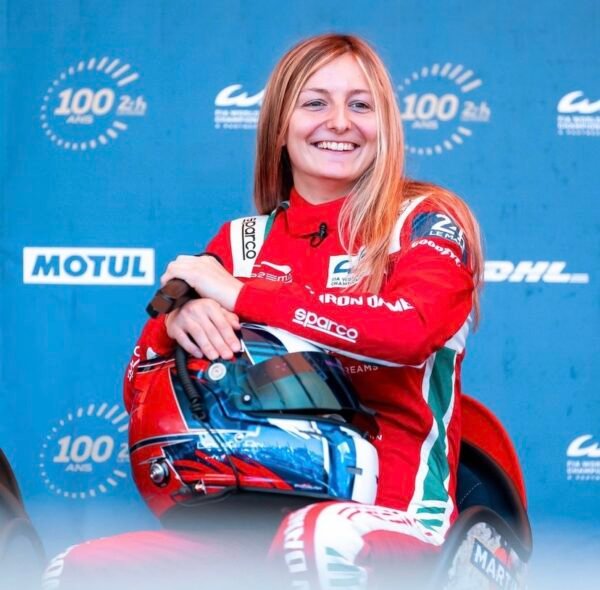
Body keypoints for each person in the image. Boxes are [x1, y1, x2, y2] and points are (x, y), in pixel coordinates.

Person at [45, 33, 483, 590]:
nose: (340, 122)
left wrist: (241, 297)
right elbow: (140, 391)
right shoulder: (242, 242)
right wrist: (172, 327)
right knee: (79, 569)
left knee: (319, 540)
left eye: (361, 105)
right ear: (279, 126)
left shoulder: (424, 220)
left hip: (395, 516)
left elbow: (410, 330)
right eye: (315, 102)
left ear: (387, 125)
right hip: (250, 514)